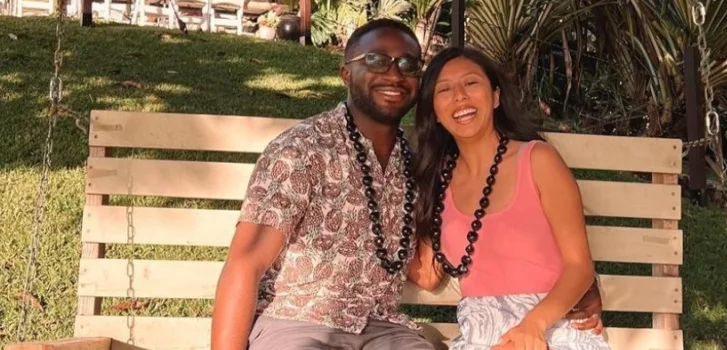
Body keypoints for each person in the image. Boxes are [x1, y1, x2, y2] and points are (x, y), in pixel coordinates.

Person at [209, 18, 604, 350]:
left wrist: (576, 290)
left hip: (383, 329)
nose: (394, 74)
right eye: (377, 60)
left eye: (408, 64)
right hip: (299, 323)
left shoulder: (420, 165)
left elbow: (433, 266)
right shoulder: (302, 149)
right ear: (346, 72)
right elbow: (246, 262)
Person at [406, 46, 611, 350]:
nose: (460, 96)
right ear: (434, 113)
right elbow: (426, 275)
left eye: (472, 83)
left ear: (496, 96)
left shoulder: (537, 160)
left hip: (551, 325)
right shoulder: (439, 181)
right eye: (444, 90)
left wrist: (532, 327)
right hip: (481, 332)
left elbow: (578, 266)